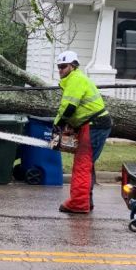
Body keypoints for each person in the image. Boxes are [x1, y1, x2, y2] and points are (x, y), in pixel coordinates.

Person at [54, 51, 112, 214]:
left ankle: (79, 204)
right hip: (91, 124)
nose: (60, 70)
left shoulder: (76, 79)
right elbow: (68, 108)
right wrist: (59, 124)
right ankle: (87, 201)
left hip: (94, 125)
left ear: (73, 66)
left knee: (82, 165)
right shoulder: (73, 80)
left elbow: (70, 107)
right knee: (86, 165)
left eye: (63, 67)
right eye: (58, 67)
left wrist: (58, 125)